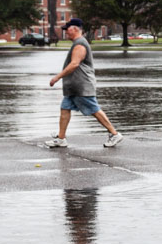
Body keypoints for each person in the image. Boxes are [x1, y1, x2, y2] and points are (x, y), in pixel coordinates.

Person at [46, 18, 123, 148]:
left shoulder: (80, 44)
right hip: (74, 86)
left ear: (75, 29)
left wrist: (57, 77)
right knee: (65, 108)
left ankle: (114, 134)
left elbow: (74, 64)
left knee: (94, 109)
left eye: (68, 30)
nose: (66, 32)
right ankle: (61, 138)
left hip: (82, 85)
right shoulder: (77, 43)